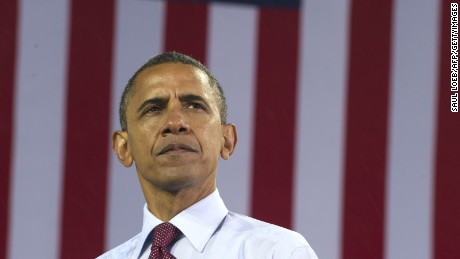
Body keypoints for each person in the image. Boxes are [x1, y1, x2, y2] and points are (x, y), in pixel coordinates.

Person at [97, 52, 318, 259]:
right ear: (123, 148)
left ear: (227, 140)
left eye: (195, 106)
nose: (175, 123)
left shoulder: (278, 252)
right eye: (154, 109)